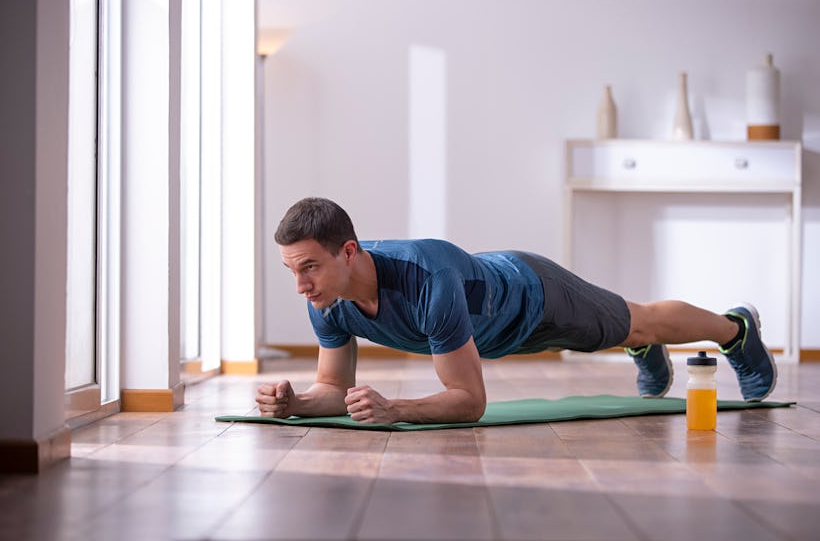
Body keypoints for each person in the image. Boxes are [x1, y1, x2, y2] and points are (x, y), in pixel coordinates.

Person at [255, 197, 777, 424]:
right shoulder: (328, 300)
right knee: (619, 330)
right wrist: (296, 401)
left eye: (309, 268)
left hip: (534, 294)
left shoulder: (425, 278)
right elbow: (331, 387)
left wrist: (396, 409)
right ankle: (636, 344)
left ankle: (734, 328)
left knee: (638, 318)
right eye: (291, 271)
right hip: (494, 332)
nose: (300, 285)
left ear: (348, 251)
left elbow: (468, 400)